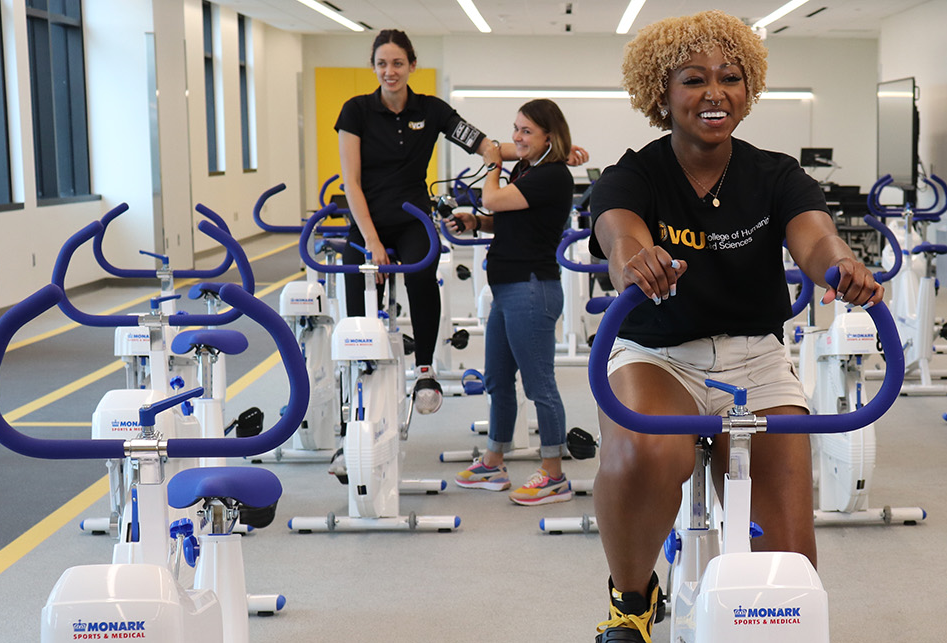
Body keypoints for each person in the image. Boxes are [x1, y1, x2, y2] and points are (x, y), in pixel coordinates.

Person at [585, 11, 883, 642]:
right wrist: (634, 258)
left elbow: (816, 240)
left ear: (749, 92)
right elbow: (618, 233)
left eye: (731, 78)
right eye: (693, 79)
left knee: (791, 567)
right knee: (647, 450)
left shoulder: (776, 175)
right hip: (657, 353)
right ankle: (633, 598)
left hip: (756, 359)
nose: (714, 92)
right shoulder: (634, 174)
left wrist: (840, 267)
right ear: (660, 94)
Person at [335, 29, 587, 421]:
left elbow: (486, 145)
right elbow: (350, 181)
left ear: (412, 65)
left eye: (398, 63)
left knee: (423, 274)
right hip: (367, 221)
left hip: (411, 218)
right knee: (358, 292)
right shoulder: (355, 111)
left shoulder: (431, 110)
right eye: (382, 64)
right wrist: (371, 241)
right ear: (374, 67)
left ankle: (424, 369)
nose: (390, 71)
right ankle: (357, 372)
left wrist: (552, 150)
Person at [448, 99, 575, 506]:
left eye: (526, 132)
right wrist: (476, 222)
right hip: (506, 288)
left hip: (531, 289)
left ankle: (554, 473)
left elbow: (495, 199)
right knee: (497, 380)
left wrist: (490, 165)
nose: (516, 138)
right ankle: (493, 461)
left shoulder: (553, 176)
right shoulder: (528, 169)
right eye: (515, 129)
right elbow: (504, 215)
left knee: (540, 386)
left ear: (548, 139)